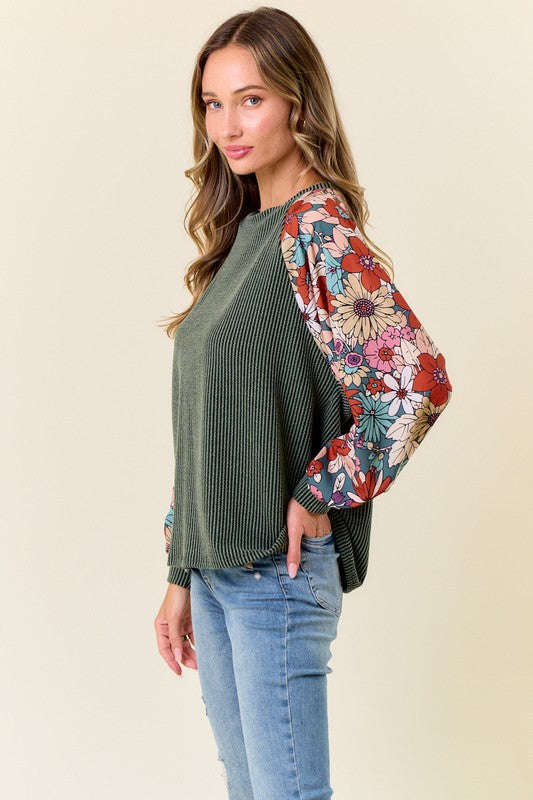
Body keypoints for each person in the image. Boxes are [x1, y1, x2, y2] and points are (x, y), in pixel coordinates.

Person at [154, 7, 453, 799]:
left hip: (273, 573)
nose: (227, 126)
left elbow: (415, 381)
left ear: (298, 101)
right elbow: (207, 427)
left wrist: (323, 490)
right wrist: (180, 569)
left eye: (250, 100)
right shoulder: (244, 238)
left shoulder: (314, 231)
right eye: (212, 104)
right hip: (217, 571)